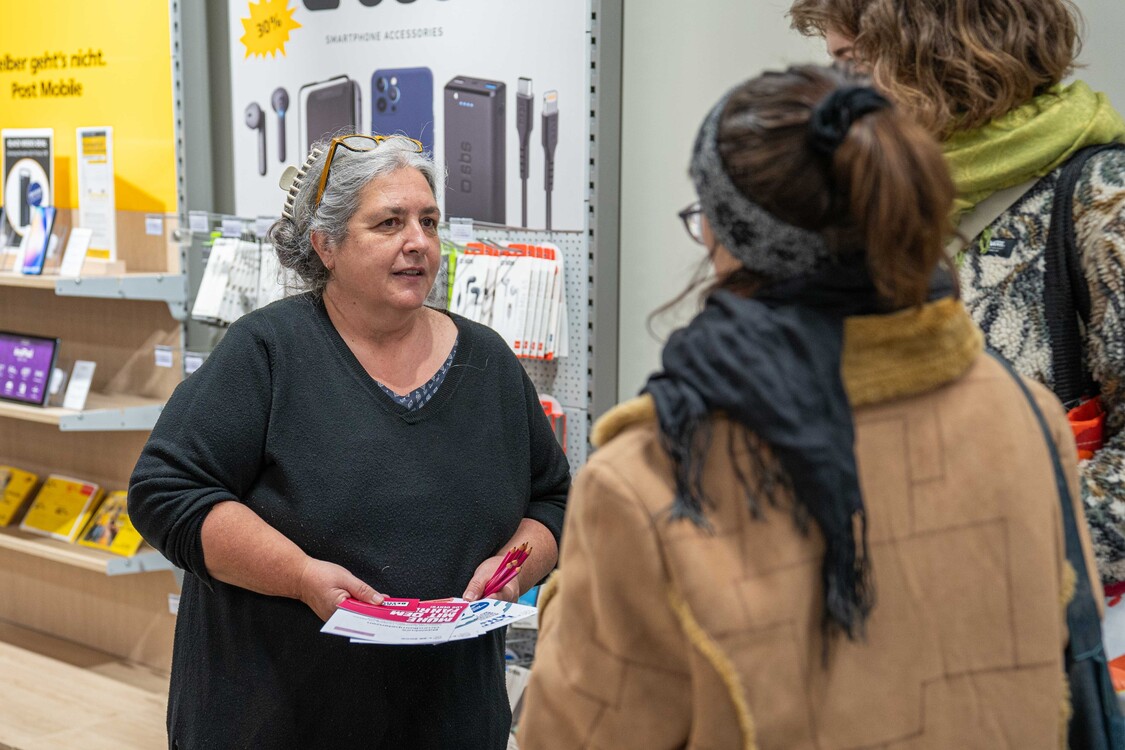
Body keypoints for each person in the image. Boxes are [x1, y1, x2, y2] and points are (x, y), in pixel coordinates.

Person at [517, 65, 1098, 748]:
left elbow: (573, 734)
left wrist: (564, 604)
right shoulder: (1023, 415)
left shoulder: (656, 474)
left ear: (726, 239)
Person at [128, 134, 570, 749]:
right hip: (278, 720)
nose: (418, 241)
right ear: (326, 244)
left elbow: (552, 500)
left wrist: (517, 568)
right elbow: (165, 493)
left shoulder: (488, 364)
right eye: (389, 223)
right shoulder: (268, 352)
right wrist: (300, 575)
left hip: (449, 722)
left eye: (428, 221)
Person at [789, 0, 1125, 585]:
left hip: (1042, 630)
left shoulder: (1103, 198)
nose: (837, 95)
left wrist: (975, 572)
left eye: (853, 63)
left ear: (936, 57)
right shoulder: (892, 197)